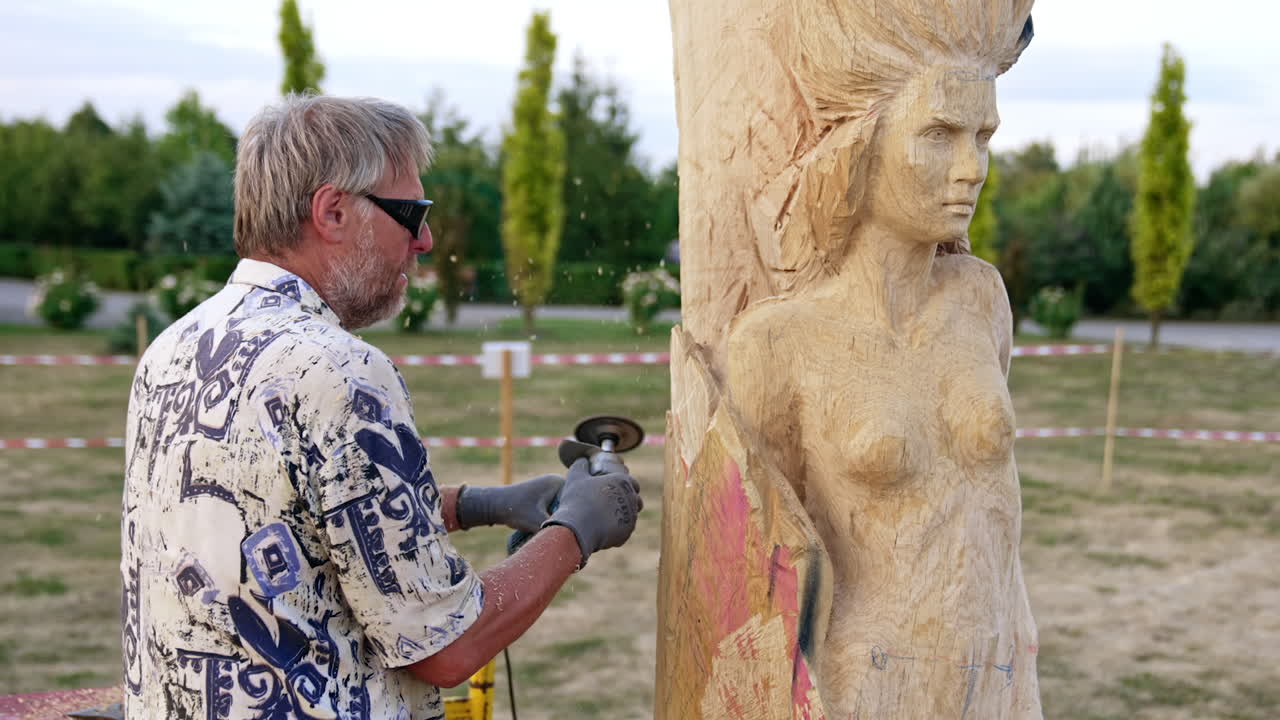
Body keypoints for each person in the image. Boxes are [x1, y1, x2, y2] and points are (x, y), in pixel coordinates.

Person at [120, 95, 642, 719]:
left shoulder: (173, 348)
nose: (423, 240)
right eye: (411, 213)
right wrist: (577, 529)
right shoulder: (340, 370)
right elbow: (444, 647)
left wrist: (476, 505)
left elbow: (282, 524)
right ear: (334, 211)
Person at [720, 3, 1041, 718]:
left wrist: (1021, 639)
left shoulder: (981, 298)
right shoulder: (779, 343)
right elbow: (757, 567)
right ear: (862, 145)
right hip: (868, 680)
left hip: (1003, 664)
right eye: (939, 135)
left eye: (982, 136)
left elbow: (995, 510)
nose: (972, 169)